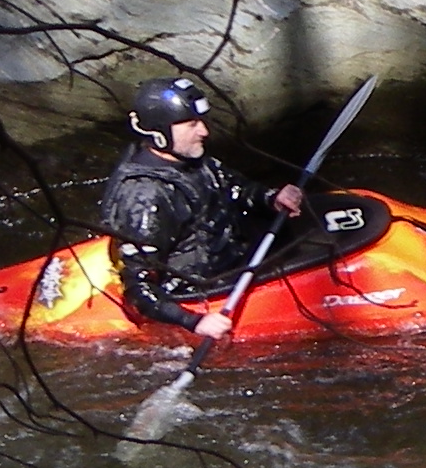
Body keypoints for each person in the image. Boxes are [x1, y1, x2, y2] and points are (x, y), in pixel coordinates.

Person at [99, 76, 303, 340]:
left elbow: (234, 188)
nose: (204, 131)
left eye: (201, 121)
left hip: (229, 261)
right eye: (192, 124)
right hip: (193, 292)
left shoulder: (191, 159)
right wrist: (194, 322)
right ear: (159, 132)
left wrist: (270, 197)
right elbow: (138, 290)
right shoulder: (145, 197)